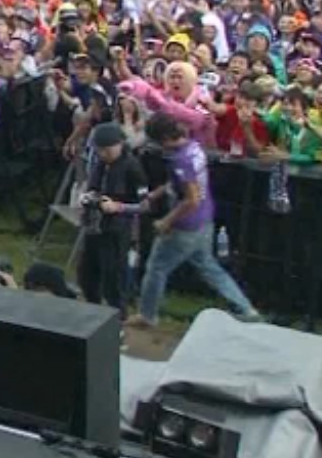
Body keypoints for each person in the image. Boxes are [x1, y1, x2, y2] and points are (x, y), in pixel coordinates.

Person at [130, 115, 262, 329]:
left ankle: (147, 315)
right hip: (205, 218)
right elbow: (181, 183)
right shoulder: (193, 146)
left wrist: (166, 221)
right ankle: (246, 309)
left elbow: (191, 199)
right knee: (209, 266)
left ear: (163, 139)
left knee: (156, 268)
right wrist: (157, 193)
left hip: (186, 225)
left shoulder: (180, 160)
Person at [76, 122, 142, 320]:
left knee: (112, 278)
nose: (104, 154)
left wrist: (118, 207)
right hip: (94, 225)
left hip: (117, 229)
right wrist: (87, 196)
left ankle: (118, 317)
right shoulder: (100, 164)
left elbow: (145, 205)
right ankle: (92, 311)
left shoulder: (132, 167)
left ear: (120, 144)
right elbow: (92, 187)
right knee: (86, 274)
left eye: (108, 149)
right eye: (100, 150)